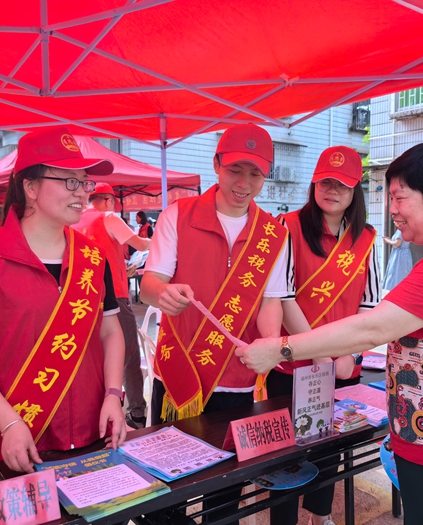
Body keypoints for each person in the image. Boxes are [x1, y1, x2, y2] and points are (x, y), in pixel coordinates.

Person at [237, 143, 423, 525]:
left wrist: (281, 348)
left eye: (400, 197)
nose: (392, 209)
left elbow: (373, 327)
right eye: (390, 197)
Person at [0, 127, 127, 473]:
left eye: (84, 182)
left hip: (93, 432)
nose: (82, 192)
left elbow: (110, 332)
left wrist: (114, 395)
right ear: (30, 187)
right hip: (14, 440)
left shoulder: (93, 257)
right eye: (69, 181)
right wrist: (10, 422)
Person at [140, 123, 288, 525]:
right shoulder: (177, 215)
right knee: (167, 484)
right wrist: (162, 293)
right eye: (235, 170)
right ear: (216, 165)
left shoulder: (274, 234)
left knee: (225, 489)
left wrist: (271, 343)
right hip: (180, 372)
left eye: (255, 173)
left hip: (238, 377)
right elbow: (150, 284)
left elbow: (270, 299)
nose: (244, 183)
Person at [270, 146, 381, 525]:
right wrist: (319, 353)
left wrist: (350, 354)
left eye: (342, 185)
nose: (332, 191)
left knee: (330, 444)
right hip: (293, 364)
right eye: (325, 182)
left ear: (355, 191)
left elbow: (370, 303)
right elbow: (283, 297)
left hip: (342, 364)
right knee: (286, 454)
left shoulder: (366, 237)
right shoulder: (288, 226)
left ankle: (320, 516)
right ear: (314, 183)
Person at [73, 182, 152, 429]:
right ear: (108, 201)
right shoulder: (108, 217)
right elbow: (142, 245)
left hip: (83, 299)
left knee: (93, 357)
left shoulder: (74, 221)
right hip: (114, 297)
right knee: (128, 354)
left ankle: (95, 411)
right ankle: (136, 412)